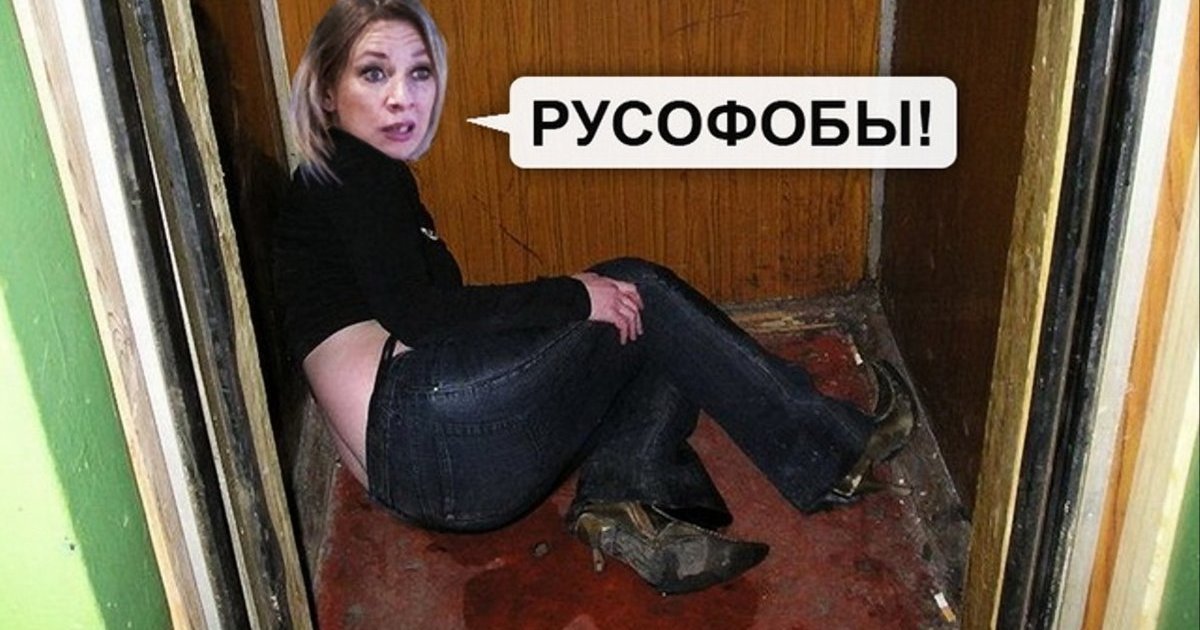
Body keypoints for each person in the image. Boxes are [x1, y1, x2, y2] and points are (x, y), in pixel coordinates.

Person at [273, 0, 916, 595]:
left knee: (631, 322)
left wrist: (579, 311)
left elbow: (431, 317)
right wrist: (572, 298)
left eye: (418, 73)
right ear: (326, 92)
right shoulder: (351, 168)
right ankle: (837, 449)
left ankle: (624, 498)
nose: (400, 96)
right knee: (638, 292)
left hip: (417, 477)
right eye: (373, 73)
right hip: (426, 423)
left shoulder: (343, 184)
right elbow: (425, 316)